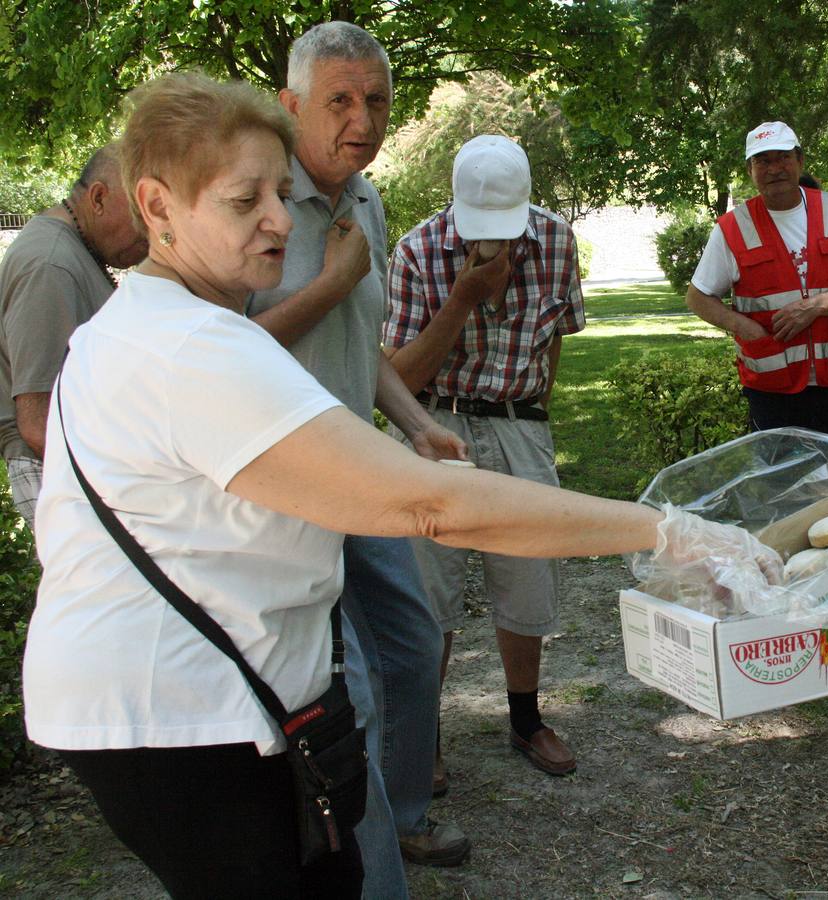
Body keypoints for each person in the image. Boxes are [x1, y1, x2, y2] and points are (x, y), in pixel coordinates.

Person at [22, 71, 778, 900]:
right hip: (181, 716)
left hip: (163, 702)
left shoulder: (149, 324)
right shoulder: (196, 348)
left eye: (281, 190)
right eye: (246, 201)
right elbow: (435, 505)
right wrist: (668, 530)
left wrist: (414, 427)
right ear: (157, 207)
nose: (280, 218)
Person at [244, 21, 472, 887]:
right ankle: (378, 879)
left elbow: (359, 345)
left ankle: (405, 818)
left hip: (360, 475)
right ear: (291, 104)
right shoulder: (255, 199)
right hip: (286, 492)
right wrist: (333, 279)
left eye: (376, 100)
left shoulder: (365, 198)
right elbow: (228, 352)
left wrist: (414, 423)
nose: (362, 119)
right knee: (355, 701)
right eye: (339, 101)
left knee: (413, 649)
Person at [384, 135, 585, 780]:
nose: (493, 240)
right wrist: (464, 296)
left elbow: (555, 337)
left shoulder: (555, 240)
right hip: (432, 424)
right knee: (426, 590)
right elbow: (397, 379)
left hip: (519, 422)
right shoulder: (416, 252)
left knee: (528, 579)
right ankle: (425, 732)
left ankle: (526, 719)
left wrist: (531, 418)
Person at [685, 121, 828, 437]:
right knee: (780, 480)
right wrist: (745, 327)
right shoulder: (733, 227)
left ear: (800, 161)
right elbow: (697, 297)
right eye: (763, 161)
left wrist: (815, 306)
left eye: (782, 157)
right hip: (773, 387)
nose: (774, 168)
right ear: (750, 170)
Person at [0, 144, 147, 528]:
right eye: (143, 217)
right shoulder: (50, 263)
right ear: (99, 197)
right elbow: (38, 423)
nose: (153, 235)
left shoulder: (72, 249)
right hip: (61, 476)